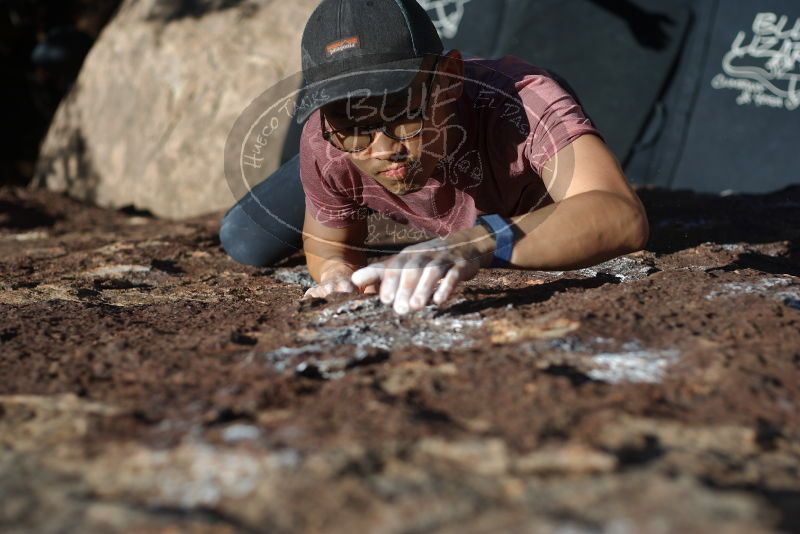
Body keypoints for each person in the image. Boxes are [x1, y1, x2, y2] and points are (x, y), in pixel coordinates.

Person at [219, 0, 649, 315]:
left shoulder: (524, 102)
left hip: (499, 146)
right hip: (334, 160)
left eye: (403, 112)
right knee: (243, 238)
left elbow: (620, 216)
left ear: (449, 79)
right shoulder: (327, 137)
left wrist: (474, 242)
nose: (384, 148)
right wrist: (336, 278)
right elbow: (334, 249)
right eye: (354, 125)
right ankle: (330, 177)